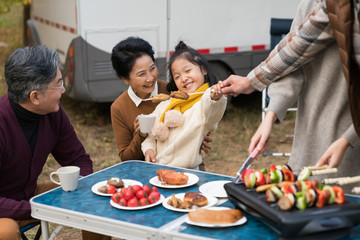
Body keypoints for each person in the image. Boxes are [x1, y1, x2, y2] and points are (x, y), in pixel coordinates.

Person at [219, 0, 360, 168]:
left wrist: (348, 139)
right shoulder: (314, 5)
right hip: (308, 135)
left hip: (352, 138)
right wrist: (270, 114)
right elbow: (293, 58)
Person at [0, 46, 106, 240]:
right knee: (5, 231)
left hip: (30, 197)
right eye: (58, 85)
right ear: (35, 97)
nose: (63, 89)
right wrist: (37, 208)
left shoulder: (52, 113)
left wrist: (79, 185)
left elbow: (79, 159)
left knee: (95, 196)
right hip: (5, 210)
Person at [110, 37, 211, 166]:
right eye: (141, 74)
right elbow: (126, 158)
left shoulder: (174, 90)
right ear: (125, 79)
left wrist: (199, 136)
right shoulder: (119, 107)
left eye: (152, 68)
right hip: (147, 172)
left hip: (185, 168)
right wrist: (141, 135)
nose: (150, 78)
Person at [141, 41, 227, 169]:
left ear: (203, 69)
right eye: (177, 76)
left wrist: (215, 96)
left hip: (188, 172)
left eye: (187, 71)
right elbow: (151, 136)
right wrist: (149, 149)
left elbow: (213, 110)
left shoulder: (204, 105)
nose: (184, 78)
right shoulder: (166, 104)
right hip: (159, 170)